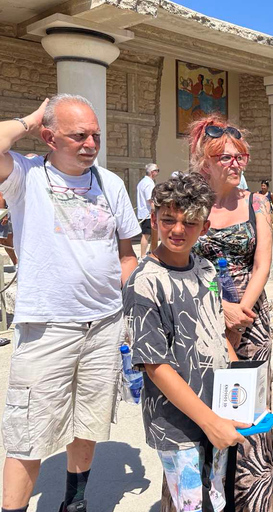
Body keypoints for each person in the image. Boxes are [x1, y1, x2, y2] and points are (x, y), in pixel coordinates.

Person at [0, 94, 141, 512]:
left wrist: (133, 297)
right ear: (49, 137)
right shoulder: (26, 176)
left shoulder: (110, 182)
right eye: (79, 135)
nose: (90, 144)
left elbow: (127, 254)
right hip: (47, 326)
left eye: (95, 135)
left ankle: (74, 503)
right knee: (28, 429)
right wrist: (29, 118)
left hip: (105, 325)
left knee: (90, 420)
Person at [124, 173, 246, 512]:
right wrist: (208, 421)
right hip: (177, 422)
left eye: (190, 222)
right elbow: (155, 365)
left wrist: (242, 391)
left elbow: (217, 336)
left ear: (204, 227)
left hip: (218, 408)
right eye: (169, 220)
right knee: (188, 503)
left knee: (218, 498)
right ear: (154, 220)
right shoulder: (145, 283)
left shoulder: (206, 270)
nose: (178, 230)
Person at [188, 116, 273, 511]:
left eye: (240, 156)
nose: (236, 164)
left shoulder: (256, 202)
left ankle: (251, 502)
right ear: (203, 161)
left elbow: (262, 264)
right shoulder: (188, 202)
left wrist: (240, 310)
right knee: (201, 414)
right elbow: (179, 264)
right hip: (202, 320)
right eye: (225, 157)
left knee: (248, 414)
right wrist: (218, 309)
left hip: (251, 321)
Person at [137, 162, 159, 257]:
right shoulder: (148, 183)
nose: (158, 173)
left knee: (151, 234)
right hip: (148, 212)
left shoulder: (142, 182)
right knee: (146, 235)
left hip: (145, 212)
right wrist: (155, 211)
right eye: (157, 170)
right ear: (152, 172)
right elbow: (150, 199)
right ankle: (142, 255)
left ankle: (151, 252)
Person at [0, 190, 17, 267]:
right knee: (5, 241)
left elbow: (1, 196)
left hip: (3, 213)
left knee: (6, 241)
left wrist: (3, 214)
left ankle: (17, 264)